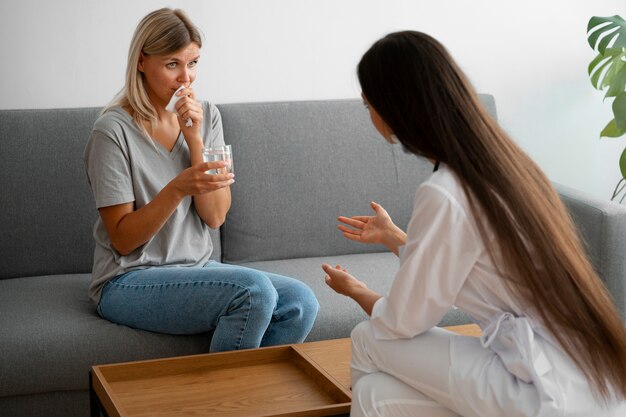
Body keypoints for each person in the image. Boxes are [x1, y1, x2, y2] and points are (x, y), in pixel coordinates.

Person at [322, 31, 626, 417]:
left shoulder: (446, 190)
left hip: (542, 387)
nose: (370, 114)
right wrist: (398, 238)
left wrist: (357, 290)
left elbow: (402, 320)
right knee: (374, 395)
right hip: (589, 378)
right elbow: (468, 262)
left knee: (368, 337)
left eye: (368, 104)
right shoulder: (508, 167)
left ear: (395, 106)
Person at [84, 8, 318, 352]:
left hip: (196, 267)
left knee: (300, 302)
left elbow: (215, 217)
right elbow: (123, 240)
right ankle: (224, 403)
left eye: (192, 63)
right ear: (142, 62)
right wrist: (179, 187)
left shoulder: (207, 116)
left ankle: (253, 400)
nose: (186, 79)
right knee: (253, 291)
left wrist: (195, 140)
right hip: (128, 279)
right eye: (172, 64)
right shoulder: (112, 132)